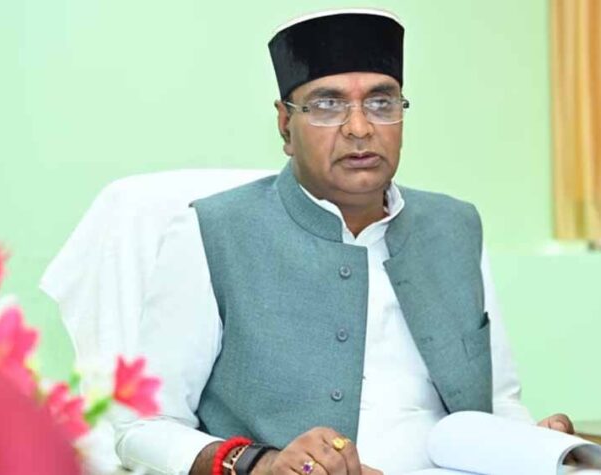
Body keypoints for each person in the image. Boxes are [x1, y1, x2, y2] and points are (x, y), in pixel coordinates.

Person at [115, 8, 573, 475]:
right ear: (285, 125)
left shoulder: (455, 226)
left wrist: (535, 444)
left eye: (381, 103)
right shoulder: (212, 233)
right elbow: (141, 428)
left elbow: (499, 404)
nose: (359, 128)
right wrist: (259, 464)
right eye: (327, 105)